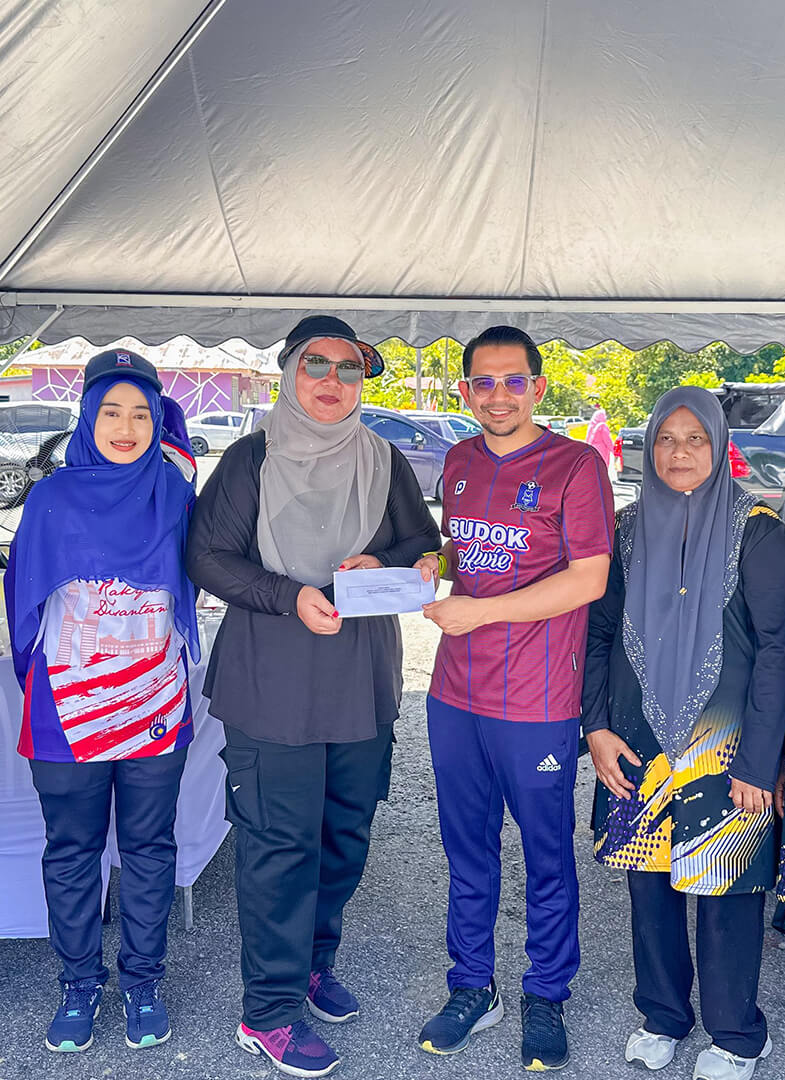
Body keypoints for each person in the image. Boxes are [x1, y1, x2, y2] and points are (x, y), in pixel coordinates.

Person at [186, 315, 440, 1079]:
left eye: (348, 368)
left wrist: (383, 560)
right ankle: (267, 1013)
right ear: (290, 373)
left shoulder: (382, 457)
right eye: (316, 365)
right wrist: (288, 594)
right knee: (279, 847)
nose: (332, 381)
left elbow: (422, 544)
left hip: (361, 683)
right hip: (271, 682)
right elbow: (206, 556)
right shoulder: (252, 458)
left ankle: (311, 965)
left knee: (342, 837)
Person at [582, 386, 785, 1080]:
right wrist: (596, 727)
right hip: (636, 738)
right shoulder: (625, 529)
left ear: (718, 445)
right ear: (649, 448)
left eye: (695, 439)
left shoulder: (758, 531)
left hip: (728, 747)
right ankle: (663, 1016)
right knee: (650, 886)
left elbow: (777, 651)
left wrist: (761, 761)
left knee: (729, 890)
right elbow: (598, 633)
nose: (679, 453)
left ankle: (737, 1034)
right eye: (666, 440)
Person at [414, 324, 614, 1072]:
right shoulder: (460, 460)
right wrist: (420, 564)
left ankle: (546, 992)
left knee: (545, 856)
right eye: (483, 382)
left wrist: (483, 613)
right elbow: (461, 554)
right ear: (465, 390)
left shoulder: (576, 465)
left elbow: (589, 578)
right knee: (467, 850)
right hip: (454, 693)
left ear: (538, 386)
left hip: (537, 699)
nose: (498, 395)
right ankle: (472, 986)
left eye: (513, 381)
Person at [4, 349, 200, 1054]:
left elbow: (202, 572)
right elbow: (23, 601)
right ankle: (79, 984)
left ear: (158, 422)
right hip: (67, 709)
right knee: (72, 850)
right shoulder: (51, 499)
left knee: (149, 848)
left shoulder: (175, 493)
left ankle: (143, 982)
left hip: (154, 703)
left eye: (141, 414)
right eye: (111, 412)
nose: (126, 427)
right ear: (87, 417)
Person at [585, 399, 615, 478]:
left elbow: (587, 439)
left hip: (592, 449)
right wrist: (614, 451)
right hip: (602, 450)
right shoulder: (602, 426)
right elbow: (608, 441)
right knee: (601, 470)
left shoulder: (591, 426)